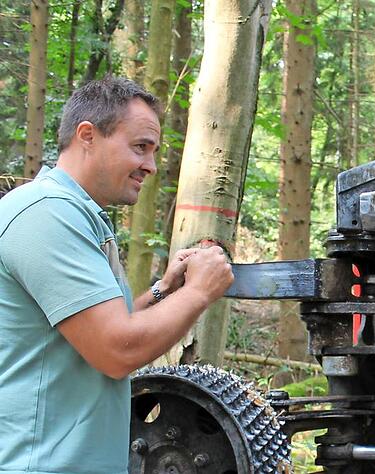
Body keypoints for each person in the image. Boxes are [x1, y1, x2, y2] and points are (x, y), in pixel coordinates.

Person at [0, 77, 234, 473]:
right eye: (140, 147)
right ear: (87, 135)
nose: (151, 166)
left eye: (154, 151)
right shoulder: (46, 214)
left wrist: (164, 291)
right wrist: (198, 293)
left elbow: (94, 328)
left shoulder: (77, 215)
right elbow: (116, 349)